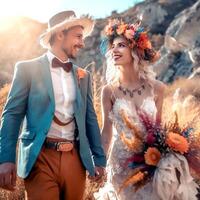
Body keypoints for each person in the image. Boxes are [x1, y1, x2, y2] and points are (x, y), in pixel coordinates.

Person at [0, 10, 106, 200]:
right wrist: (6, 158)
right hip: (39, 158)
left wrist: (99, 159)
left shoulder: (84, 76)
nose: (82, 43)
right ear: (59, 34)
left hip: (76, 159)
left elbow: (90, 118)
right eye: (78, 36)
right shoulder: (27, 69)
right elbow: (12, 115)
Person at [99, 19, 164, 199]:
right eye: (113, 46)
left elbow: (159, 131)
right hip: (120, 165)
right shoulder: (108, 91)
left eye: (121, 45)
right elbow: (106, 133)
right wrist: (99, 163)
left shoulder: (158, 88)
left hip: (151, 163)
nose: (114, 50)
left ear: (135, 50)